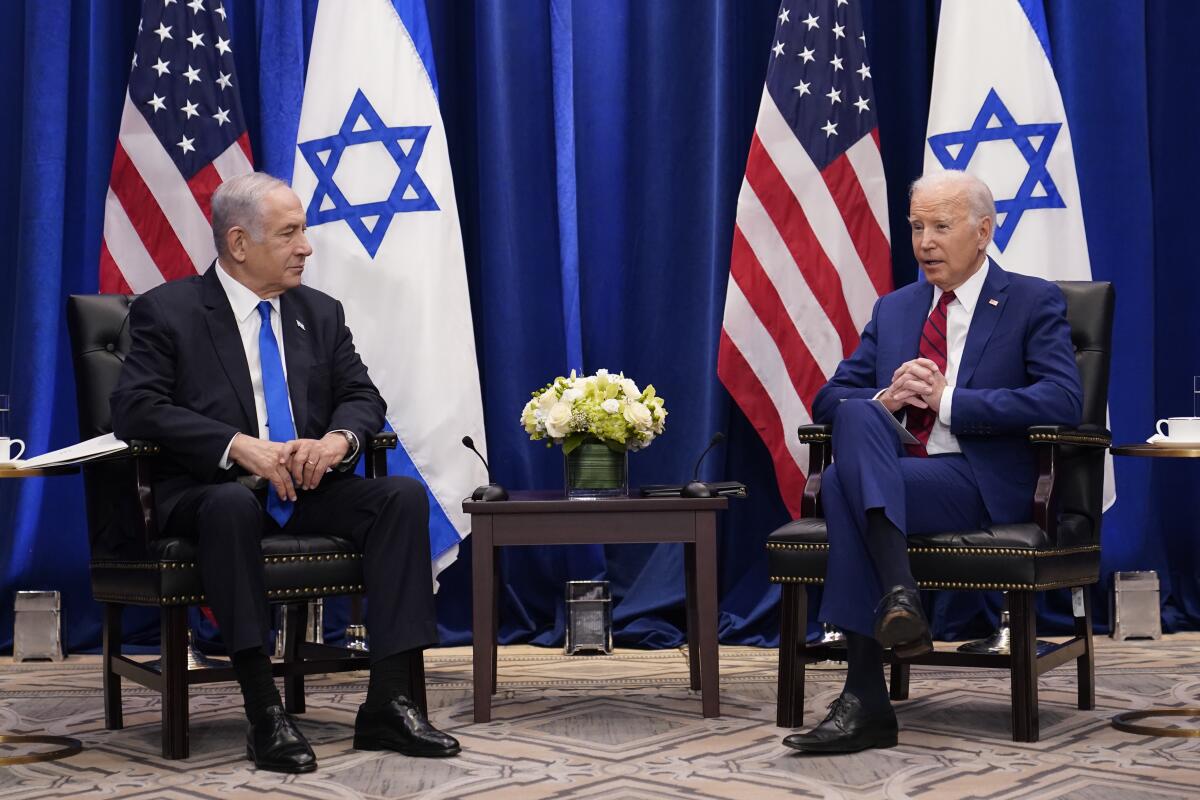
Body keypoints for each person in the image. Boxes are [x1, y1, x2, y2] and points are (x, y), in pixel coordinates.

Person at [111, 172, 460, 773]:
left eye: (304, 231)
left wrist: (335, 441)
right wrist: (235, 445)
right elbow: (135, 407)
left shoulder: (319, 313)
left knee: (399, 498)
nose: (307, 246)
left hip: (306, 487)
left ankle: (388, 701)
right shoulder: (168, 311)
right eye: (290, 233)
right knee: (229, 506)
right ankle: (264, 710)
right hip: (209, 492)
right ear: (240, 243)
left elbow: (361, 396)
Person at [781, 170, 1083, 755]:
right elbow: (828, 397)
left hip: (978, 479)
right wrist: (888, 398)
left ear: (984, 231)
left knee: (846, 481)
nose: (925, 243)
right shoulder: (896, 309)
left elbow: (1063, 400)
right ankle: (899, 597)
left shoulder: (1030, 299)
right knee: (856, 426)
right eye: (917, 227)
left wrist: (948, 400)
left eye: (941, 227)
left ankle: (866, 695)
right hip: (902, 474)